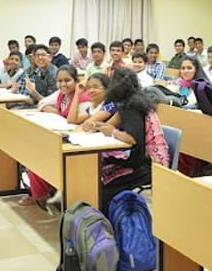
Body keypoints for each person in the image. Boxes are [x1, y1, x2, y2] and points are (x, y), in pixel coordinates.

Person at [94, 68, 170, 212]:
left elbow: (132, 139)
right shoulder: (129, 102)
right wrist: (96, 125)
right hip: (142, 159)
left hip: (150, 165)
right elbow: (110, 124)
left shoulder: (132, 106)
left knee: (100, 188)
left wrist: (113, 132)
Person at [23, 65, 90, 208]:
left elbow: (79, 123)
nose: (63, 84)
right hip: (59, 133)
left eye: (67, 80)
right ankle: (41, 193)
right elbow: (42, 103)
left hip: (77, 141)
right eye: (59, 81)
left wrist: (61, 115)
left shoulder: (84, 98)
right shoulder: (61, 94)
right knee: (32, 152)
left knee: (43, 157)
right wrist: (59, 114)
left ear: (76, 81)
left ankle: (42, 194)